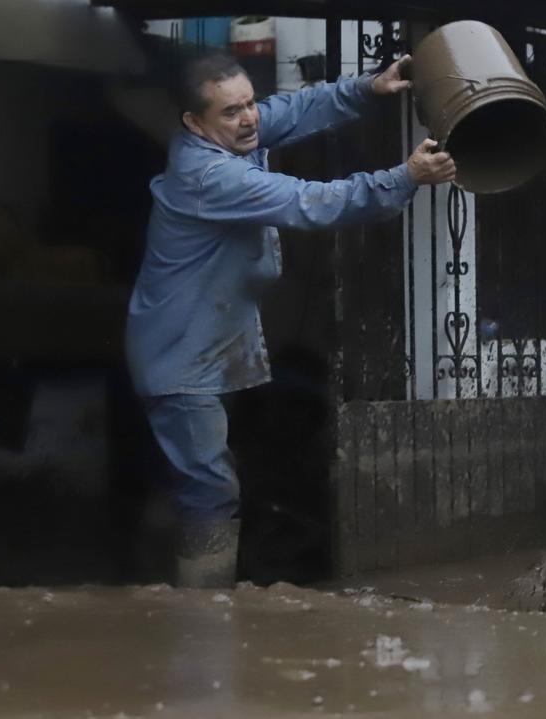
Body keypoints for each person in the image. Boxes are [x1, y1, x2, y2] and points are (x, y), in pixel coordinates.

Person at [126, 53, 456, 588]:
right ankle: (201, 611)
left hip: (208, 345)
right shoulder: (208, 174)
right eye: (232, 111)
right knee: (210, 488)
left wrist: (368, 88)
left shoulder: (234, 133)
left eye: (249, 102)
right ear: (195, 122)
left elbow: (296, 107)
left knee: (197, 479)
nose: (250, 118)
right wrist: (406, 176)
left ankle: (162, 585)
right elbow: (313, 203)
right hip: (180, 359)